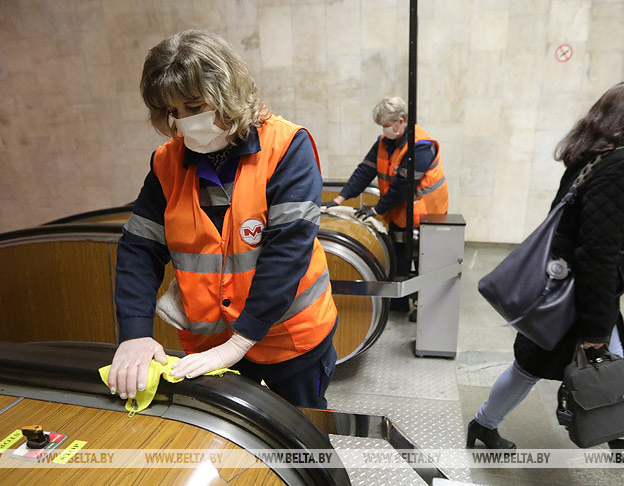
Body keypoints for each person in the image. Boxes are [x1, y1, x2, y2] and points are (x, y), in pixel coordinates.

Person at [107, 30, 338, 409]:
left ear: (226, 92)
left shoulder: (286, 146)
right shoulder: (167, 162)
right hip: (210, 346)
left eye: (195, 106)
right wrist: (134, 333)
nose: (184, 121)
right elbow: (139, 248)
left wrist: (242, 340)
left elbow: (288, 252)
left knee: (303, 435)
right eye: (173, 112)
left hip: (290, 337)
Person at [468, 80, 624, 465]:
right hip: (584, 290)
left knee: (601, 359)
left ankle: (623, 435)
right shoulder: (623, 164)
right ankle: (484, 423)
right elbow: (597, 249)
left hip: (573, 284)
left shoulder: (596, 154)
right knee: (542, 365)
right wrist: (594, 327)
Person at [323, 97, 448, 317]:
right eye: (382, 126)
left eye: (388, 125)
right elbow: (364, 171)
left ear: (401, 121)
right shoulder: (384, 141)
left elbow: (404, 186)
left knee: (425, 262)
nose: (384, 130)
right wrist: (338, 200)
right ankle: (398, 303)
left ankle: (425, 309)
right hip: (400, 213)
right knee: (399, 257)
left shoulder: (421, 146)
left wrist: (376, 210)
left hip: (427, 215)